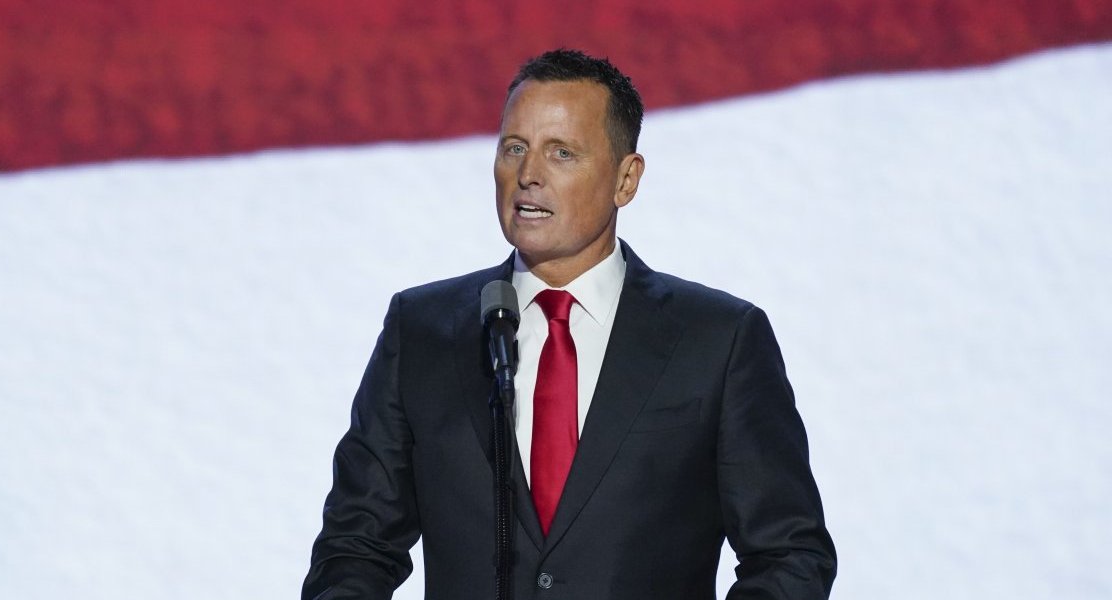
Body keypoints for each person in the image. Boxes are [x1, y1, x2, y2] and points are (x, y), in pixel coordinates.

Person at [302, 48, 836, 599]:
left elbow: (789, 555)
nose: (528, 175)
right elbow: (355, 549)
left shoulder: (718, 340)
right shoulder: (423, 332)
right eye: (514, 148)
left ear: (626, 179)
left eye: (562, 153)